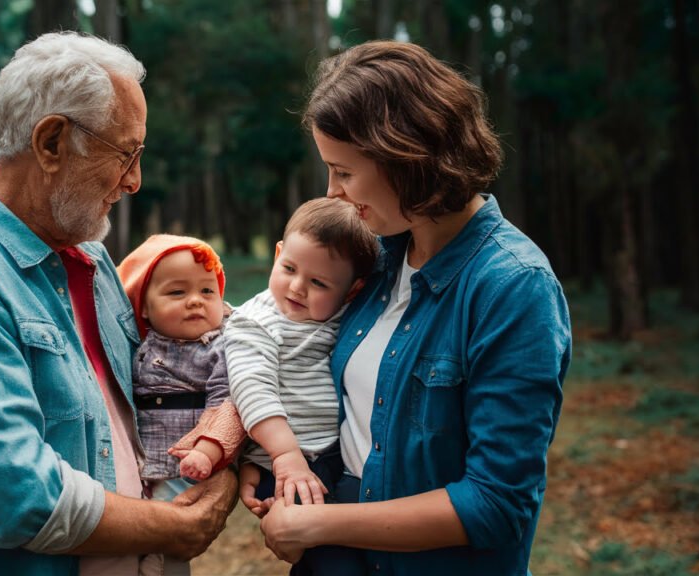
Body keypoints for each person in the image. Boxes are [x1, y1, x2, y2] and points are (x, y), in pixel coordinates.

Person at [0, 32, 236, 576]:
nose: (134, 181)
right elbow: (16, 494)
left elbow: (166, 390)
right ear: (51, 143)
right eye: (125, 154)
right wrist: (178, 527)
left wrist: (221, 460)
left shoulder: (88, 257)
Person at [253, 40, 572, 575]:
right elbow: (272, 342)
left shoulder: (514, 288)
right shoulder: (370, 259)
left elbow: (496, 505)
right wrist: (260, 462)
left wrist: (318, 524)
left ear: (406, 159)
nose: (332, 192)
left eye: (344, 172)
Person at [225, 197, 378, 575]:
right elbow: (252, 389)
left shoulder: (345, 315)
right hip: (288, 464)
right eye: (289, 268)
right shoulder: (256, 322)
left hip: (331, 460)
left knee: (343, 555)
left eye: (318, 282)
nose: (296, 287)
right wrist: (284, 455)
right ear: (278, 253)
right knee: (334, 564)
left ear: (352, 290)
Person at [117, 235, 247, 576]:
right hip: (140, 462)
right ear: (143, 306)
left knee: (164, 533)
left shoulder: (221, 347)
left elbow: (225, 403)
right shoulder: (140, 344)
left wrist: (206, 451)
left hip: (188, 465)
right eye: (177, 292)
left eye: (207, 291)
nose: (195, 302)